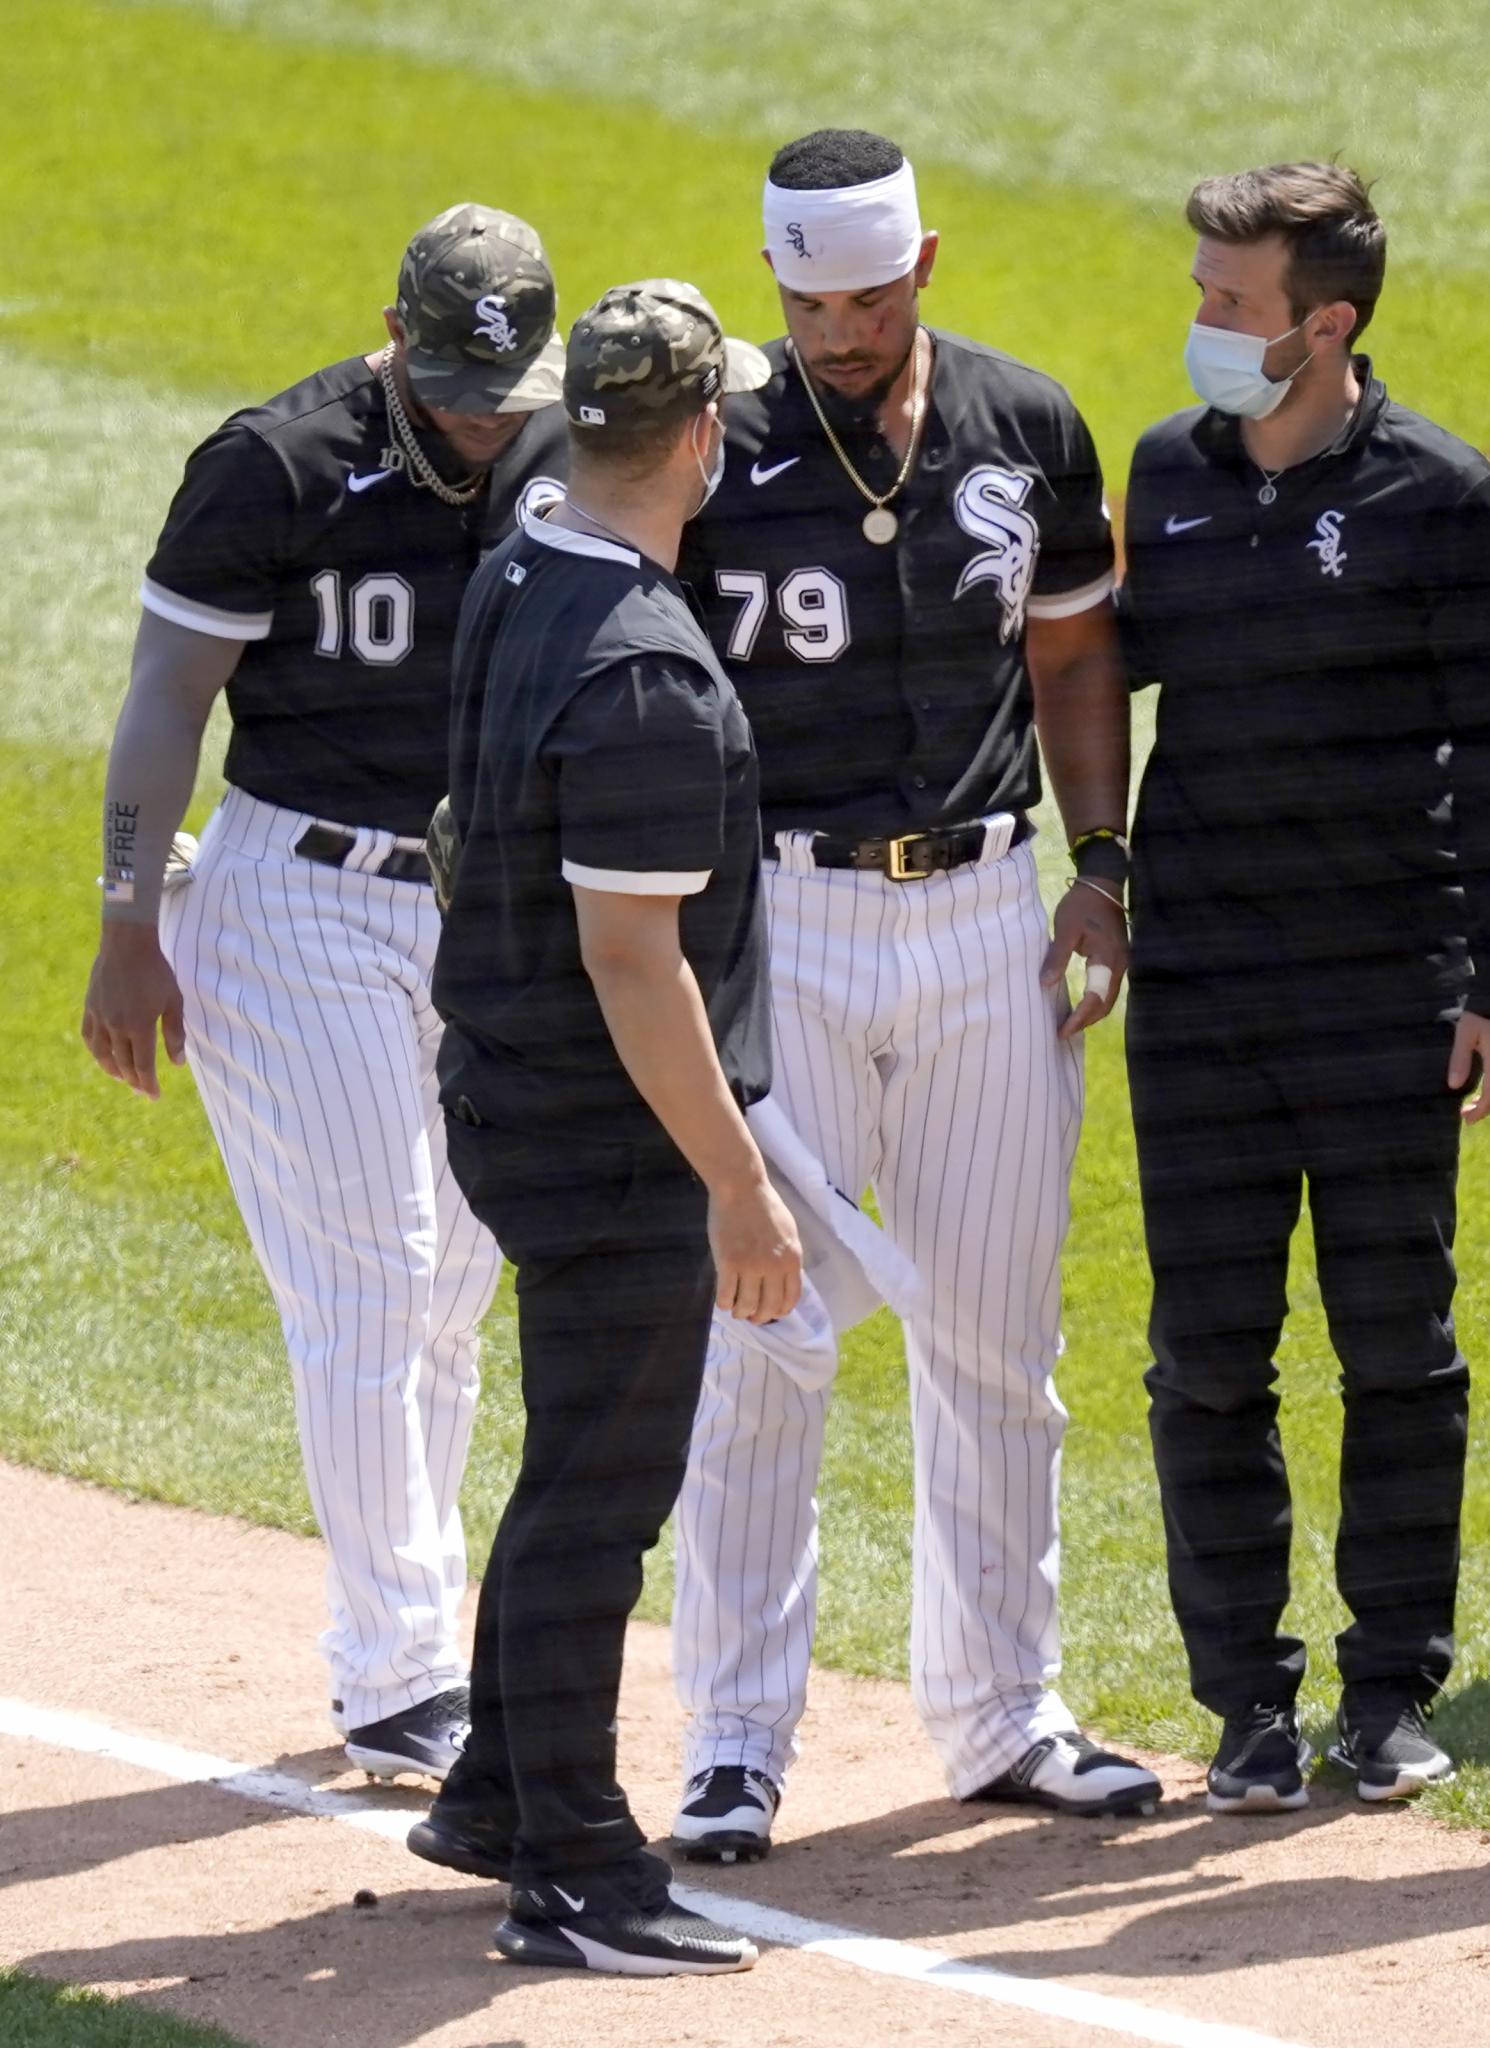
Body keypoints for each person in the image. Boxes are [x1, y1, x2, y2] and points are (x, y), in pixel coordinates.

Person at [663, 128, 1154, 1862]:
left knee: (1001, 1341)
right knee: (764, 1336)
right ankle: (731, 1737)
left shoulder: (1024, 423)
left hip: (984, 916)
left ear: (922, 265)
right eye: (805, 300)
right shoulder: (708, 431)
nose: (835, 330)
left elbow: (1077, 645)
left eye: (865, 299)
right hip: (775, 918)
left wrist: (1102, 861)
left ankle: (1002, 1709)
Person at [78, 204, 566, 1786]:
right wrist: (126, 920)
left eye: (503, 387)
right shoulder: (277, 462)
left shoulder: (562, 451)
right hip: (300, 898)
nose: (478, 416)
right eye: (451, 384)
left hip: (482, 908)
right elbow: (166, 702)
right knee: (376, 1280)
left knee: (450, 1296)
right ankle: (399, 1669)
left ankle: (412, 1649)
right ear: (393, 327)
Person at [1119, 163, 1490, 1811]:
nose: (1202, 327)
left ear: (1327, 322)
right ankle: (1242, 1695)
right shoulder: (1165, 476)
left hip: (1386, 991)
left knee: (1399, 1346)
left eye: (1229, 304)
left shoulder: (1442, 498)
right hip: (1204, 992)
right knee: (1209, 1355)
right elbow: (1092, 673)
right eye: (1202, 294)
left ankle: (1388, 1691)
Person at [413, 279, 781, 1973]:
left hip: (504, 1084)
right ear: (698, 439)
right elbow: (637, 967)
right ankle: (571, 1861)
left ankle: (495, 1785)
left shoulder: (522, 562)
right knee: (597, 1495)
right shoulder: (647, 673)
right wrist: (742, 1186)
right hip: (604, 1130)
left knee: (568, 1457)